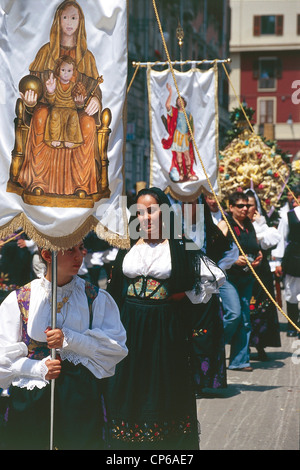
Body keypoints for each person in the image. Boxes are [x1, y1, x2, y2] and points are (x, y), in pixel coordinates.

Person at [106, 187, 225, 450]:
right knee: (129, 383)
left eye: (152, 210)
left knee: (163, 384)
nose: (146, 217)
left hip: (164, 326)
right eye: (140, 212)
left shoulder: (181, 242)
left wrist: (181, 295)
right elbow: (115, 286)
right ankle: (127, 446)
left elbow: (212, 278)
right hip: (129, 324)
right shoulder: (128, 243)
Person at [0, 242, 127, 450]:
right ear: (47, 255)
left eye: (82, 248)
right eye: (71, 250)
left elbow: (115, 349)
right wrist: (37, 368)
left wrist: (70, 339)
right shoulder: (21, 299)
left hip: (79, 400)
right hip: (32, 401)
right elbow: (3, 358)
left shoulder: (94, 298)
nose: (80, 255)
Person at [16, 0, 102, 197]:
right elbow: (34, 87)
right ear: (57, 21)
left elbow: (94, 88)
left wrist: (95, 99)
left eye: (74, 18)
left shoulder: (87, 57)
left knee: (88, 124)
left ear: (80, 22)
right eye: (65, 17)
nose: (70, 22)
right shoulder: (45, 52)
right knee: (40, 115)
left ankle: (81, 184)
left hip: (76, 109)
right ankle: (38, 181)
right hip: (49, 106)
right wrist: (31, 101)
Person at [218, 191, 262, 371]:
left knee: (244, 319)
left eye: (247, 205)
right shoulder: (224, 224)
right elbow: (216, 251)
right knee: (234, 314)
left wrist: (258, 255)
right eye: (240, 206)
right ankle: (213, 342)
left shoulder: (248, 225)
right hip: (228, 277)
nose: (245, 209)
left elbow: (255, 246)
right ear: (231, 208)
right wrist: (233, 260)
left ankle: (239, 360)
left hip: (246, 277)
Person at [246, 190, 281, 360]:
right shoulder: (237, 224)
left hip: (262, 271)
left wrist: (261, 224)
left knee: (262, 307)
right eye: (244, 205)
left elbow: (273, 239)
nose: (247, 208)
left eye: (251, 205)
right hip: (244, 270)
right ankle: (242, 346)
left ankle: (260, 345)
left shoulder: (262, 224)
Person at [272, 187, 300, 337]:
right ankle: (292, 324)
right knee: (291, 292)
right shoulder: (288, 216)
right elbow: (281, 239)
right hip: (294, 258)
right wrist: (277, 261)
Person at [44, 55, 86, 149]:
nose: (65, 73)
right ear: (58, 70)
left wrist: (79, 103)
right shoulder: (55, 84)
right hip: (57, 108)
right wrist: (51, 91)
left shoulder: (74, 86)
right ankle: (55, 138)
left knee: (74, 116)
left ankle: (70, 139)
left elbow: (79, 106)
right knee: (54, 114)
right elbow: (51, 102)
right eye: (63, 70)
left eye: (69, 71)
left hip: (71, 109)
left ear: (73, 72)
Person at [162, 83, 198, 183]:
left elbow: (192, 125)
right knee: (178, 156)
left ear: (184, 103)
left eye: (181, 101)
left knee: (187, 155)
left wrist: (192, 135)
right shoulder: (174, 111)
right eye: (178, 101)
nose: (179, 102)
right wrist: (170, 93)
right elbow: (167, 106)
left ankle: (189, 173)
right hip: (177, 136)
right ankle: (181, 173)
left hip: (185, 136)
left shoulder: (188, 113)